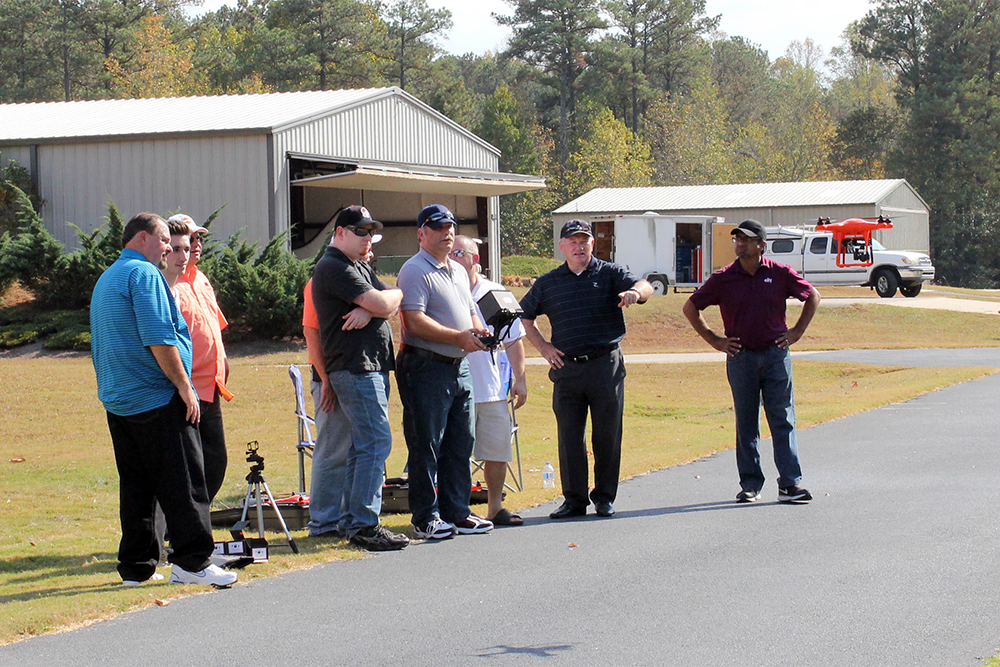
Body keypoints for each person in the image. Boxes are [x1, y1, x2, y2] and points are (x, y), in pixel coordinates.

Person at [90, 212, 236, 587]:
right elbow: (159, 337)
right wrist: (185, 387)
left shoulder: (108, 277)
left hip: (119, 401)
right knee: (184, 482)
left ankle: (137, 567)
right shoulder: (144, 275)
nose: (168, 249)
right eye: (163, 242)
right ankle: (192, 562)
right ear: (142, 238)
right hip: (155, 397)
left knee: (137, 486)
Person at [519, 219, 653, 520]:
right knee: (569, 436)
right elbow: (524, 317)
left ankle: (604, 497)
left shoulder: (610, 273)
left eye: (585, 241)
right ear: (562, 246)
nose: (579, 246)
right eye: (573, 241)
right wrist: (544, 348)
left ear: (592, 244)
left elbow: (644, 285)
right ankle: (574, 500)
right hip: (567, 369)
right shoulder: (549, 282)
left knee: (607, 434)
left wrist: (635, 293)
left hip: (605, 365)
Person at [682, 218, 820, 504]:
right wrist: (716, 341)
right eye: (737, 239)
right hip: (741, 358)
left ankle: (790, 484)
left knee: (782, 419)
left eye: (746, 239)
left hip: (775, 356)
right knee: (746, 423)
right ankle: (751, 484)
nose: (740, 243)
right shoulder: (723, 278)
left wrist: (796, 332)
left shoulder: (780, 273)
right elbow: (690, 307)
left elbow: (812, 296)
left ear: (761, 245)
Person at [311, 205, 409, 551]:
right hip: (355, 367)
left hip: (370, 365)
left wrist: (369, 307)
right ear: (340, 233)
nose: (368, 238)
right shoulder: (334, 266)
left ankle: (355, 521)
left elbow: (397, 295)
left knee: (363, 446)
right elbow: (387, 303)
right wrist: (377, 306)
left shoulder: (359, 266)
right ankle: (365, 524)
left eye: (371, 232)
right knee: (376, 442)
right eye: (361, 232)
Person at [395, 204, 494, 539]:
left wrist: (480, 332)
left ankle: (458, 511)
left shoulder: (455, 269)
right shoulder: (414, 270)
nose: (446, 232)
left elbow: (471, 311)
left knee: (459, 442)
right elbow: (413, 321)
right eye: (438, 227)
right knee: (427, 443)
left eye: (450, 226)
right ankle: (425, 517)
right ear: (421, 233)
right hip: (425, 366)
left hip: (458, 367)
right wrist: (458, 337)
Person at [450, 235, 528, 526]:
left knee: (497, 450)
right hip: (457, 384)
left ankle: (495, 508)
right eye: (452, 252)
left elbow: (515, 340)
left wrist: (520, 379)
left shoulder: (495, 292)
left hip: (493, 387)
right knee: (456, 452)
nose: (455, 256)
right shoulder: (445, 289)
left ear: (475, 259)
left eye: (461, 252)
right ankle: (456, 510)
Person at [166, 214, 232, 502]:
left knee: (216, 462)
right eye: (190, 240)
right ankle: (179, 527)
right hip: (185, 391)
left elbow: (214, 327)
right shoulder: (168, 284)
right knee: (186, 466)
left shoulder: (201, 280)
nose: (196, 244)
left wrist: (224, 363)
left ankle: (194, 521)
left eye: (198, 238)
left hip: (211, 388)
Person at [301, 276, 353, 539]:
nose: (369, 248)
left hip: (351, 376)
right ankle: (323, 522)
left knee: (351, 449)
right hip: (328, 378)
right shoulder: (320, 281)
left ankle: (344, 517)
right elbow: (311, 332)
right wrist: (325, 380)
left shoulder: (360, 278)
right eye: (362, 237)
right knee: (332, 448)